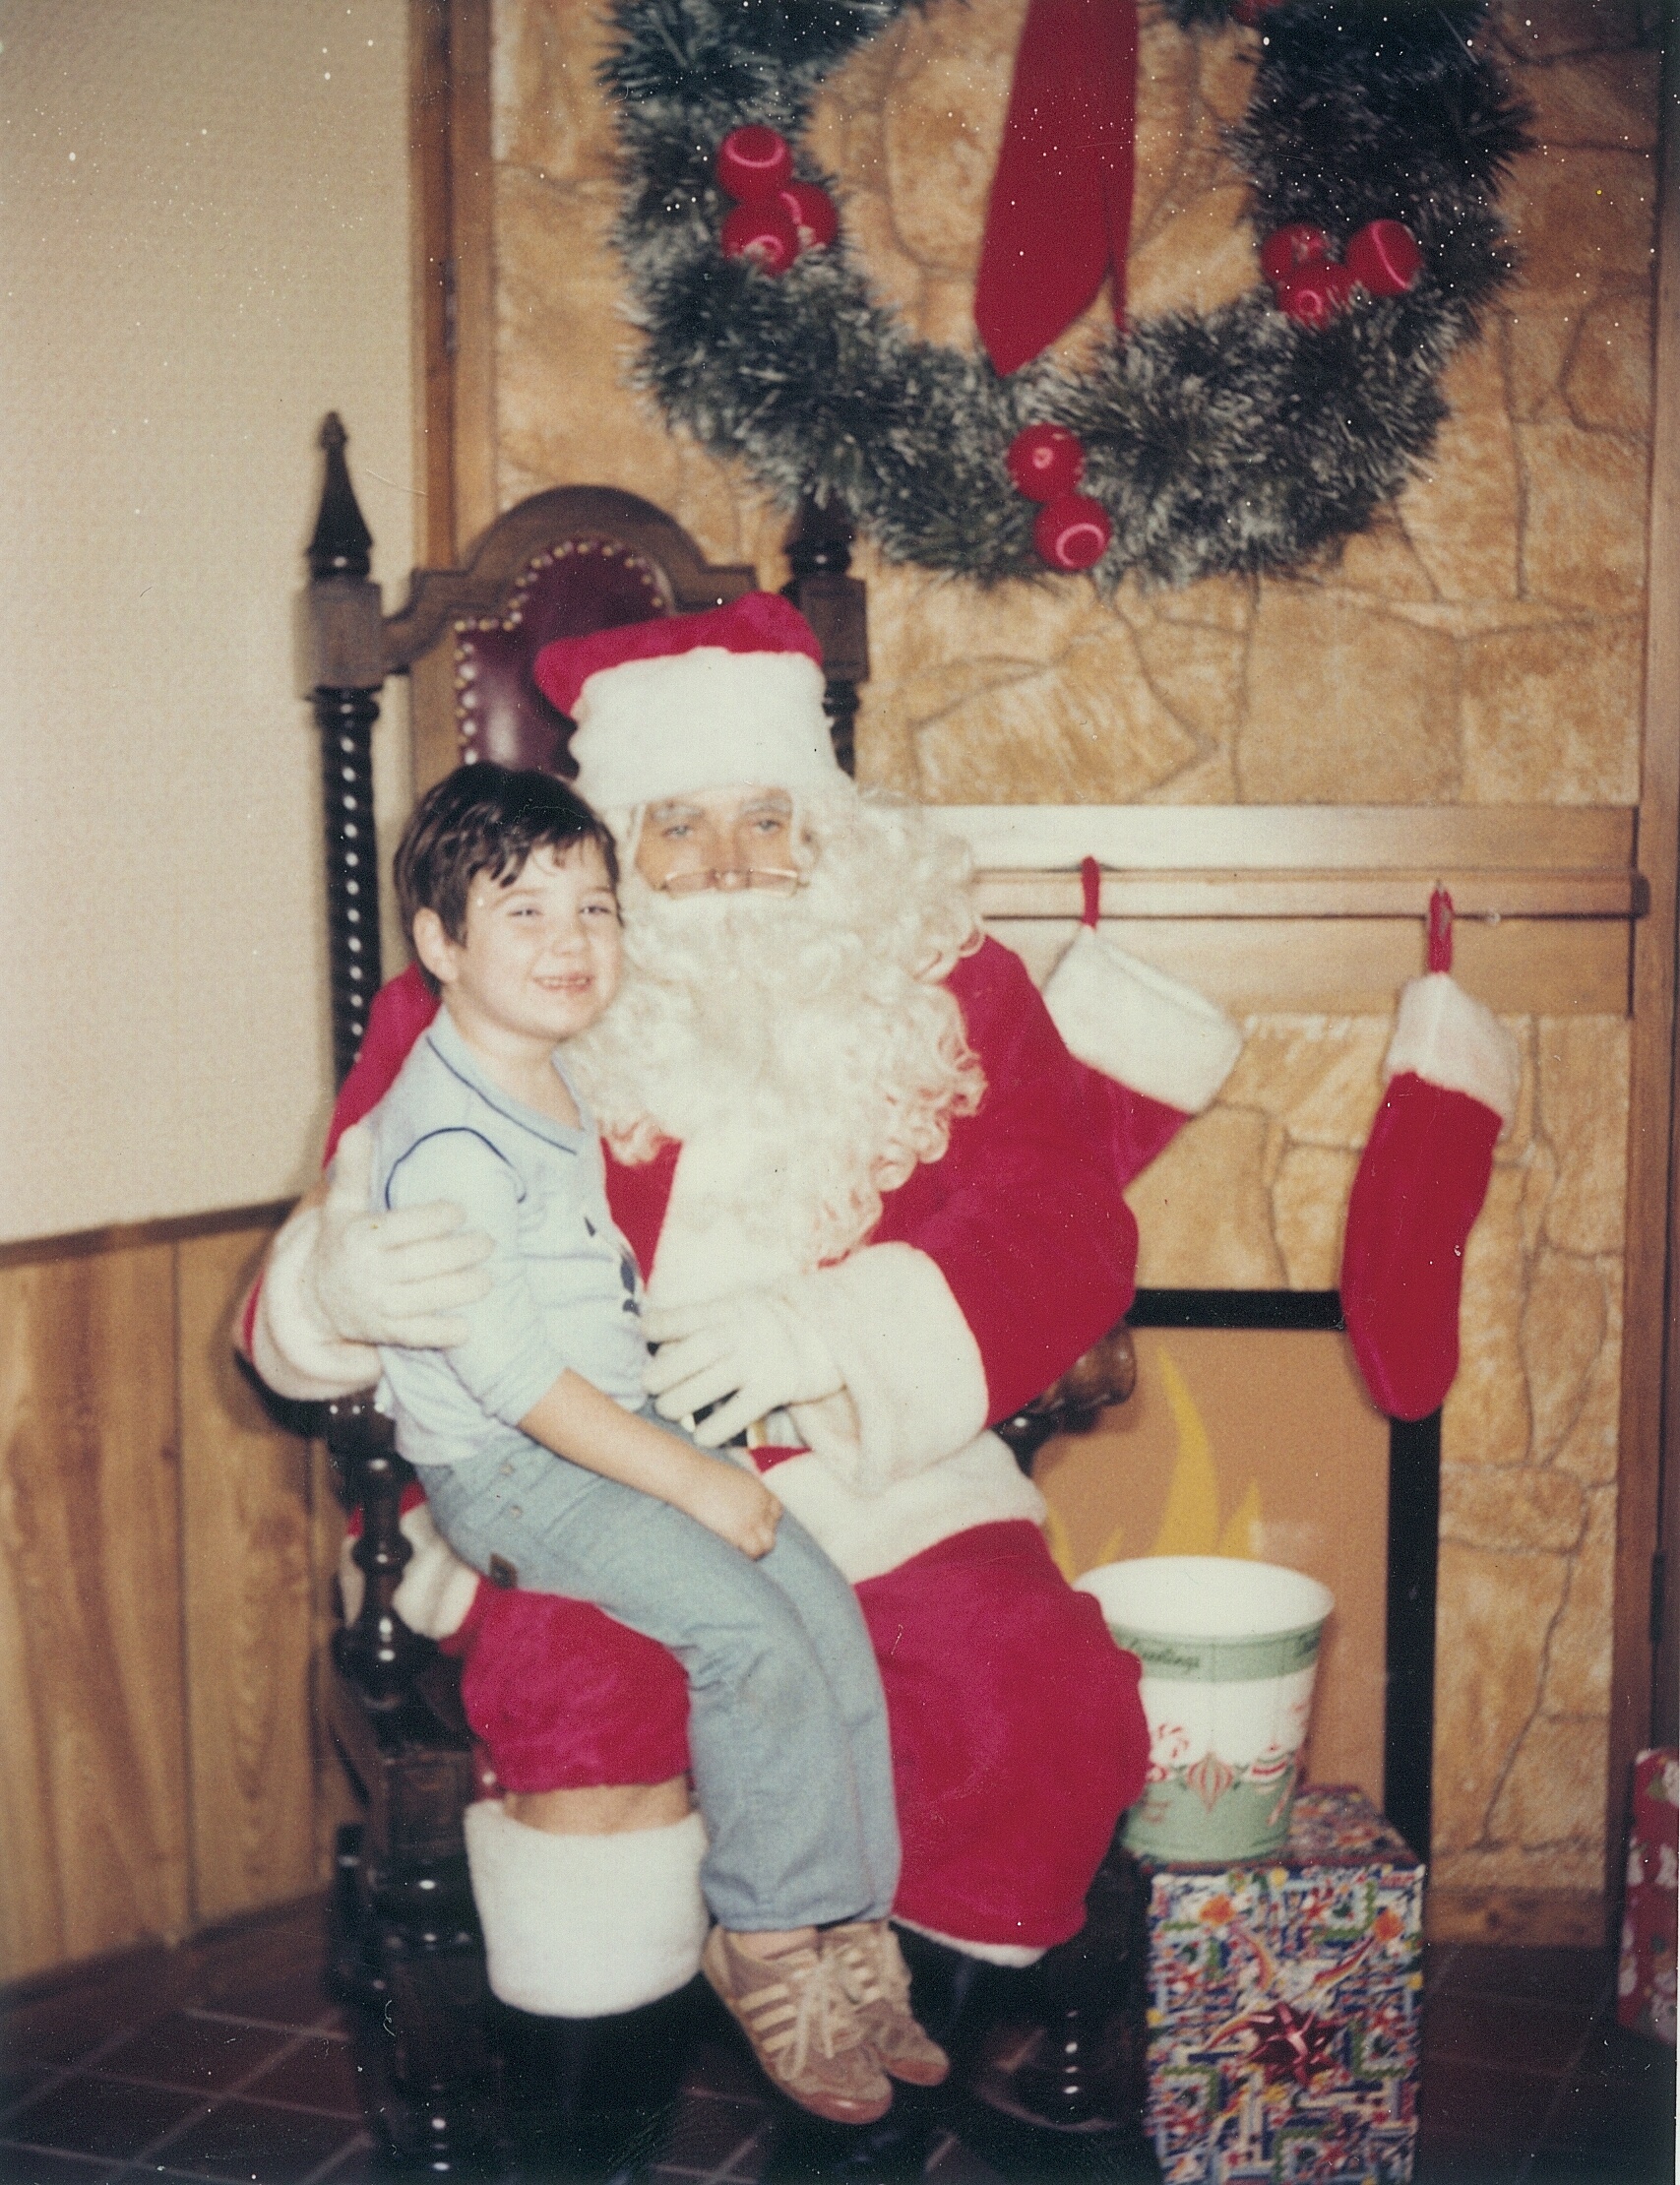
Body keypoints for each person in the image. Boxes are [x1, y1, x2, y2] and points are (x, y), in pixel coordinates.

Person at [248, 593, 1244, 2026]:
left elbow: (1065, 1220)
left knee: (1028, 1694)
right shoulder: (491, 989)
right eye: (676, 829)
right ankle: (596, 2115)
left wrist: (837, 1335)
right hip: (573, 1465)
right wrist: (331, 1286)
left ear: (828, 830)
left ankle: (863, 2094)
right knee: (592, 1692)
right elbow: (327, 1249)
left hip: (871, 1465)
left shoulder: (951, 983)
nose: (725, 870)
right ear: (613, 848)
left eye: (766, 820)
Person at [356, 759, 942, 2123]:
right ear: (440, 943)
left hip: (607, 1429)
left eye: (596, 908)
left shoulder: (542, 1075)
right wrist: (691, 1476)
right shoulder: (444, 1136)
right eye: (525, 913)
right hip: (509, 1467)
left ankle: (851, 1917)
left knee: (818, 1606)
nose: (573, 944)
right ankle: (768, 1939)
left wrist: (684, 1453)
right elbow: (508, 1380)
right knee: (744, 1640)